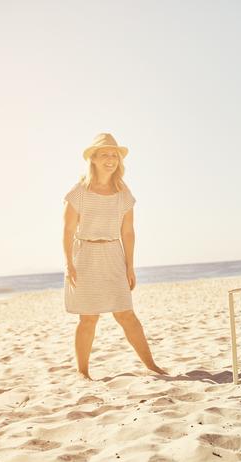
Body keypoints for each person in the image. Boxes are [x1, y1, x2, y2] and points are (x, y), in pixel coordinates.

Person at [63, 133, 165, 379]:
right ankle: (83, 372)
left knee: (126, 313)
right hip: (85, 256)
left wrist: (130, 267)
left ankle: (152, 366)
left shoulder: (123, 194)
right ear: (94, 159)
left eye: (114, 155)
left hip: (113, 254)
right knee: (88, 318)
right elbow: (67, 230)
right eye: (105, 154)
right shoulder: (79, 192)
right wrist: (69, 263)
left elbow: (128, 233)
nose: (111, 159)